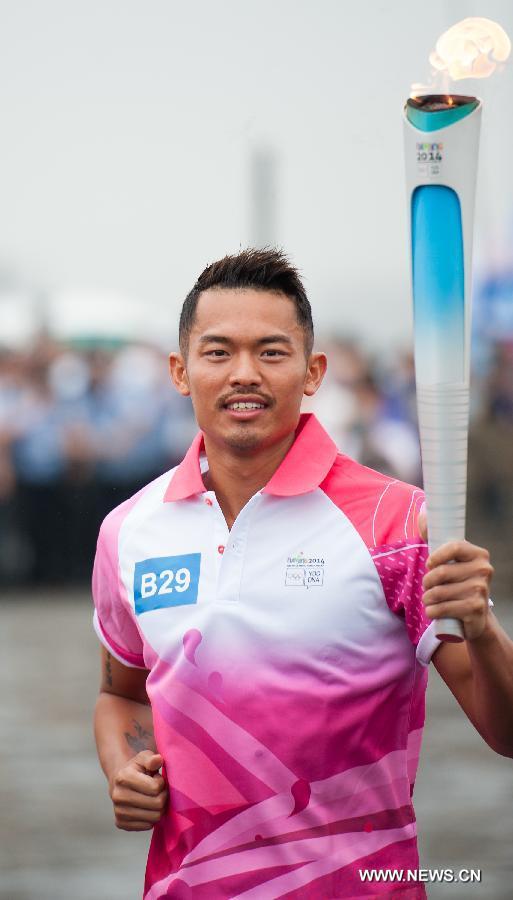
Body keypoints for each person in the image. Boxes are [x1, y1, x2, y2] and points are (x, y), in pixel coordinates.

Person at [93, 248, 513, 899]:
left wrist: (481, 627)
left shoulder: (397, 524)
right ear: (179, 371)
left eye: (270, 351)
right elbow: (122, 692)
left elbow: (505, 734)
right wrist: (124, 765)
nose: (243, 374)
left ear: (312, 371)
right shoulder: (128, 530)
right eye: (216, 352)